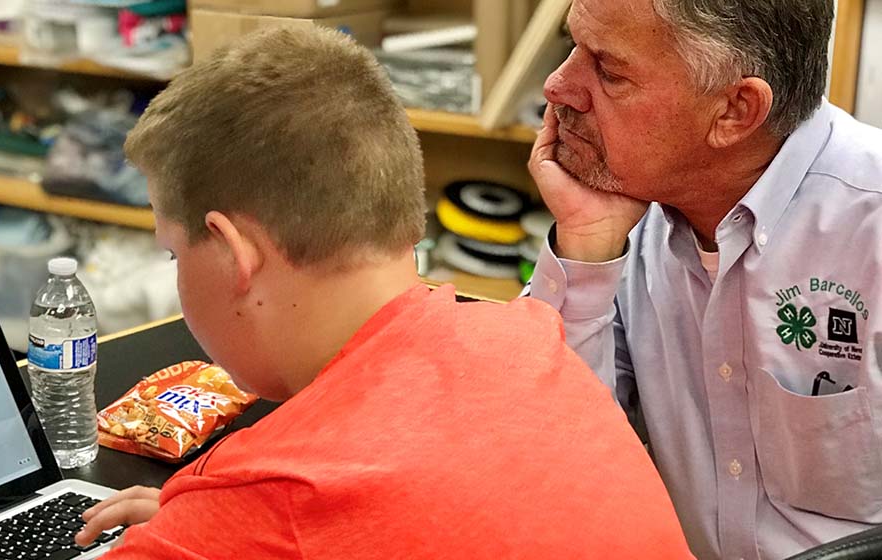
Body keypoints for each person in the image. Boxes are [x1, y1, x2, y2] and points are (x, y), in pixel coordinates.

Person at [72, 25, 692, 559]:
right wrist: (212, 516)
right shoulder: (527, 339)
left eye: (173, 253)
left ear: (236, 254)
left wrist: (214, 525)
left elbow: (297, 504)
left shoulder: (277, 494)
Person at [527, 0, 882, 558]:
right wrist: (586, 242)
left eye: (610, 71)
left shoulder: (871, 228)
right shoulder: (634, 211)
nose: (557, 86)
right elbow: (553, 457)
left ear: (736, 111)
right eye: (571, 48)